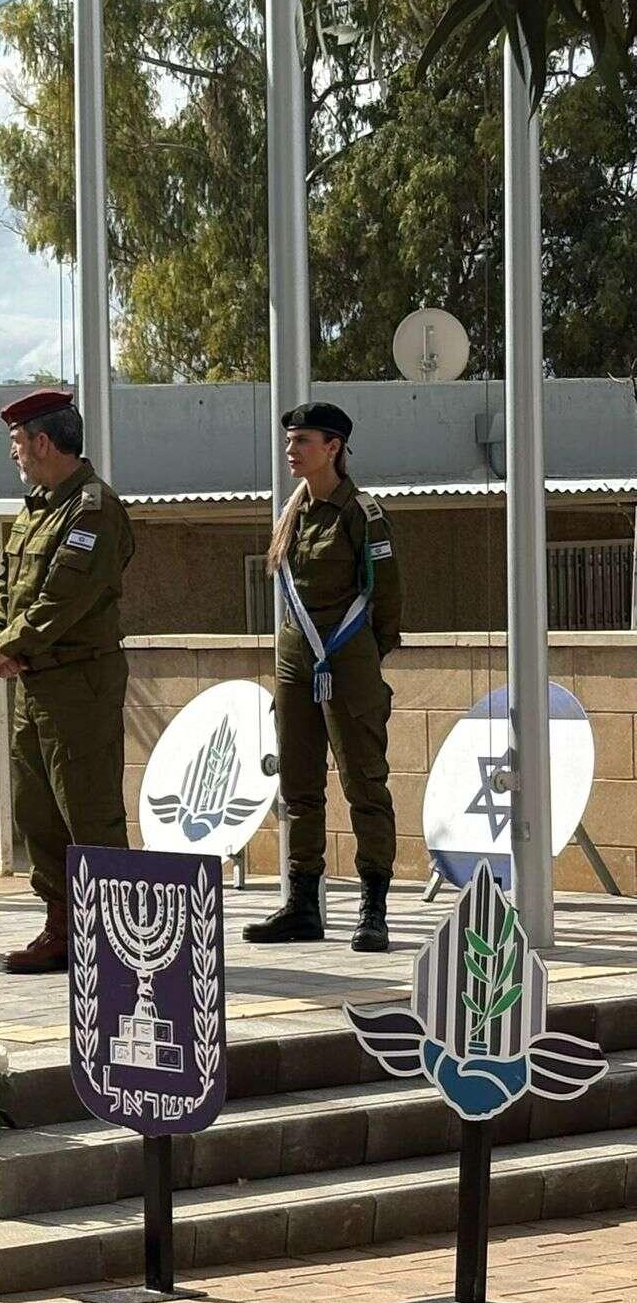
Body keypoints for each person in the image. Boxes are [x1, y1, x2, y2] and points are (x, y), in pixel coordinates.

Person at [0, 389, 135, 974]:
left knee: (88, 812)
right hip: (34, 682)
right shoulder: (37, 507)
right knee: (37, 809)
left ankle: (119, 943)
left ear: (43, 442)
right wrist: (1, 635)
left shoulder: (92, 508)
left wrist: (11, 641)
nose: (14, 455)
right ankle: (63, 926)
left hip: (79, 682)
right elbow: (9, 585)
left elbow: (66, 597)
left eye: (18, 443)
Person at [245, 402, 403, 952]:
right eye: (290, 441)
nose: (291, 451)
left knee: (364, 784)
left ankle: (373, 908)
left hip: (348, 659)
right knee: (298, 787)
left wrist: (361, 658)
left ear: (333, 447)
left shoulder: (362, 513)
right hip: (295, 663)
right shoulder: (292, 511)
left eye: (302, 441)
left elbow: (387, 598)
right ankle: (303, 904)